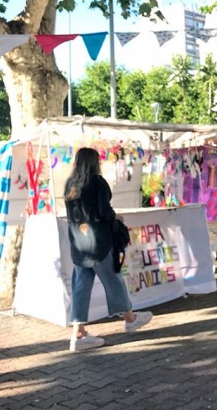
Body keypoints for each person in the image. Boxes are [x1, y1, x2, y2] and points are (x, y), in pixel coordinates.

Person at [65, 147, 152, 352]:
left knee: (81, 287)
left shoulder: (70, 184)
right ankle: (130, 319)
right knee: (113, 280)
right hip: (99, 243)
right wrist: (115, 218)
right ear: (95, 162)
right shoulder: (97, 182)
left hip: (78, 245)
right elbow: (103, 211)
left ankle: (78, 333)